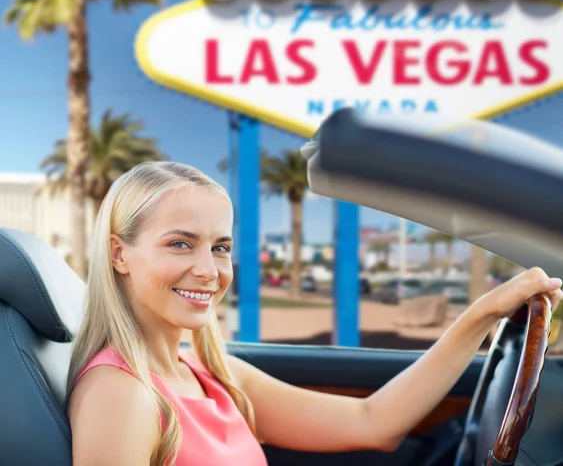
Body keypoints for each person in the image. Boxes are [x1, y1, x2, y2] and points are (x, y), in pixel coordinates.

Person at [65, 161, 563, 466]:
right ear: (119, 254)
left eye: (220, 247)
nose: (208, 270)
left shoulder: (212, 373)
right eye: (180, 244)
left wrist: (483, 313)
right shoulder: (121, 394)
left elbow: (372, 422)